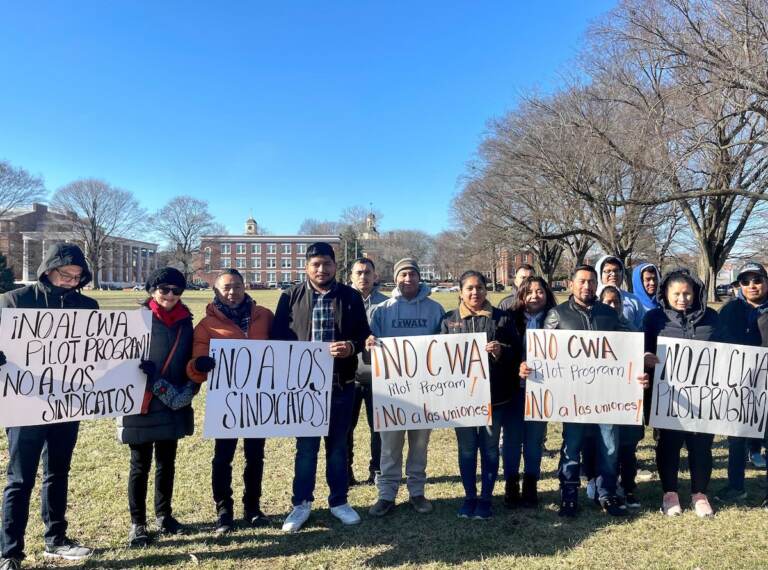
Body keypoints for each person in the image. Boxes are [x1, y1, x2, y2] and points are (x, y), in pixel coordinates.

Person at [520, 265, 648, 518]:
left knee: (609, 447)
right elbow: (544, 353)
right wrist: (529, 365)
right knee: (571, 446)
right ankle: (569, 493)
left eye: (591, 282)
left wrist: (641, 363)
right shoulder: (557, 315)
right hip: (573, 397)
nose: (587, 286)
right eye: (581, 281)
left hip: (608, 396)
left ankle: (607, 493)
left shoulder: (609, 314)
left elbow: (633, 342)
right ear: (571, 284)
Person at [0, 243, 97, 568]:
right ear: (48, 269)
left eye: (77, 276)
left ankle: (56, 538)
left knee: (58, 471)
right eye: (65, 274)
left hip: (68, 402)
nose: (71, 281)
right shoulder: (15, 301)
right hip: (25, 403)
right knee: (19, 478)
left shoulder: (88, 307)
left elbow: (97, 353)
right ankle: (10, 552)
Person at [271, 242, 371, 533]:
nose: (321, 269)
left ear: (335, 265)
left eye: (326, 263)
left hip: (341, 384)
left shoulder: (351, 297)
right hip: (304, 387)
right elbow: (278, 339)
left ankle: (339, 501)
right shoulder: (290, 296)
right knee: (306, 448)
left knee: (338, 447)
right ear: (306, 266)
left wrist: (351, 347)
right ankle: (301, 503)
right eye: (315, 264)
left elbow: (363, 335)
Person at [186, 269, 274, 534]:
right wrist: (199, 364)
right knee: (223, 458)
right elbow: (194, 365)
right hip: (226, 402)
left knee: (255, 456)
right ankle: (224, 511)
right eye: (226, 287)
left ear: (245, 287)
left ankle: (253, 508)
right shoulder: (206, 325)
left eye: (237, 286)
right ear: (216, 291)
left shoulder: (265, 317)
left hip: (259, 398)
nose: (232, 292)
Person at [117, 267, 196, 547]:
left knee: (167, 462)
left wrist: (196, 371)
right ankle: (138, 524)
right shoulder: (135, 321)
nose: (170, 295)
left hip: (172, 399)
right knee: (140, 465)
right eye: (164, 289)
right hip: (141, 402)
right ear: (152, 290)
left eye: (176, 290)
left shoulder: (187, 322)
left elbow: (190, 357)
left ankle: (164, 515)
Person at [367, 258, 446, 517]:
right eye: (403, 275)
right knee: (390, 445)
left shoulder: (435, 310)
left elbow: (444, 348)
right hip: (391, 390)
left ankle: (417, 492)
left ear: (419, 277)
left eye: (412, 274)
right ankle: (386, 494)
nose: (408, 279)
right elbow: (370, 352)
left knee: (420, 443)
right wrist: (369, 346)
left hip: (424, 389)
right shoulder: (382, 310)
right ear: (396, 278)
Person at [440, 271, 518, 520]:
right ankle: (469, 497)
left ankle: (486, 498)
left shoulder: (502, 318)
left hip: (495, 398)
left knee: (490, 449)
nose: (476, 293)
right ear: (460, 292)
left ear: (486, 289)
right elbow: (438, 359)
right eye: (470, 288)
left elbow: (517, 353)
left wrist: (500, 351)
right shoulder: (448, 321)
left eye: (480, 288)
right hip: (461, 401)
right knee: (466, 450)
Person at [643, 269, 720, 517]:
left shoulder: (712, 317)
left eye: (687, 293)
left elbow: (726, 350)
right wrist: (646, 358)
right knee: (668, 444)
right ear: (665, 293)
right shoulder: (654, 318)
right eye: (676, 293)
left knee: (701, 445)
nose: (682, 298)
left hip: (704, 397)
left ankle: (699, 494)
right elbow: (642, 349)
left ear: (696, 293)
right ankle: (670, 494)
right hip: (668, 397)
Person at [714, 261, 768, 504]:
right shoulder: (729, 311)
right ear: (739, 285)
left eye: (757, 280)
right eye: (746, 281)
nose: (752, 285)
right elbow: (716, 342)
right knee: (736, 438)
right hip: (738, 385)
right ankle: (736, 486)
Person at [506, 276, 556, 508]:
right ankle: (511, 484)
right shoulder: (509, 320)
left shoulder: (557, 320)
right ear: (521, 295)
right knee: (512, 440)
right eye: (530, 292)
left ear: (547, 294)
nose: (535, 296)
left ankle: (531, 484)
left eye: (540, 291)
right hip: (515, 390)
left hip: (542, 390)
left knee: (535, 441)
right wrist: (516, 365)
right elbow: (503, 352)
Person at [347, 258, 388, 486]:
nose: (363, 277)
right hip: (348, 376)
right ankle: (345, 470)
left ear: (375, 276)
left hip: (379, 377)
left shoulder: (387, 304)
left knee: (379, 428)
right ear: (351, 275)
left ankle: (378, 470)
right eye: (359, 272)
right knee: (345, 428)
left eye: (367, 273)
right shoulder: (341, 300)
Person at [595, 255, 646, 330]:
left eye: (616, 270)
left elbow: (642, 329)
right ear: (599, 274)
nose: (613, 274)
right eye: (608, 271)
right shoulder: (592, 300)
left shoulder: (634, 301)